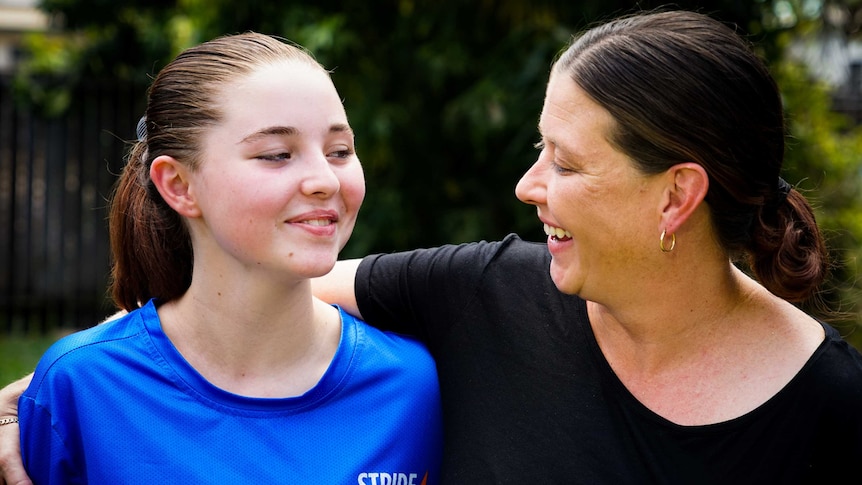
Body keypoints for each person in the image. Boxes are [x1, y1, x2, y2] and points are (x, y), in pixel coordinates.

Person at [3, 8, 862, 484]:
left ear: (676, 194)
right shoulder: (485, 294)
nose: (527, 187)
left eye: (562, 162)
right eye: (537, 149)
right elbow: (242, 302)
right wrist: (30, 408)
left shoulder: (831, 405)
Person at [0, 32, 442, 483]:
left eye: (340, 151)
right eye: (277, 154)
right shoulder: (80, 386)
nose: (324, 179)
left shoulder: (411, 385)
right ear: (178, 185)